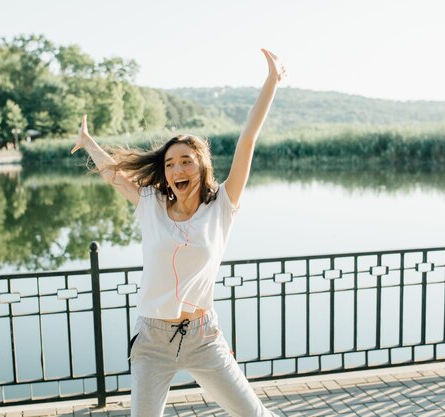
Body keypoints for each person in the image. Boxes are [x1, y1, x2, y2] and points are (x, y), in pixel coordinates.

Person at [71, 48, 286, 417]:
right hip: (153, 341)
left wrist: (271, 81)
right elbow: (114, 174)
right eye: (170, 163)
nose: (176, 169)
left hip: (203, 337)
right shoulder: (150, 205)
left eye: (186, 160)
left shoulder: (222, 206)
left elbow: (247, 140)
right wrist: (89, 143)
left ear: (201, 166)